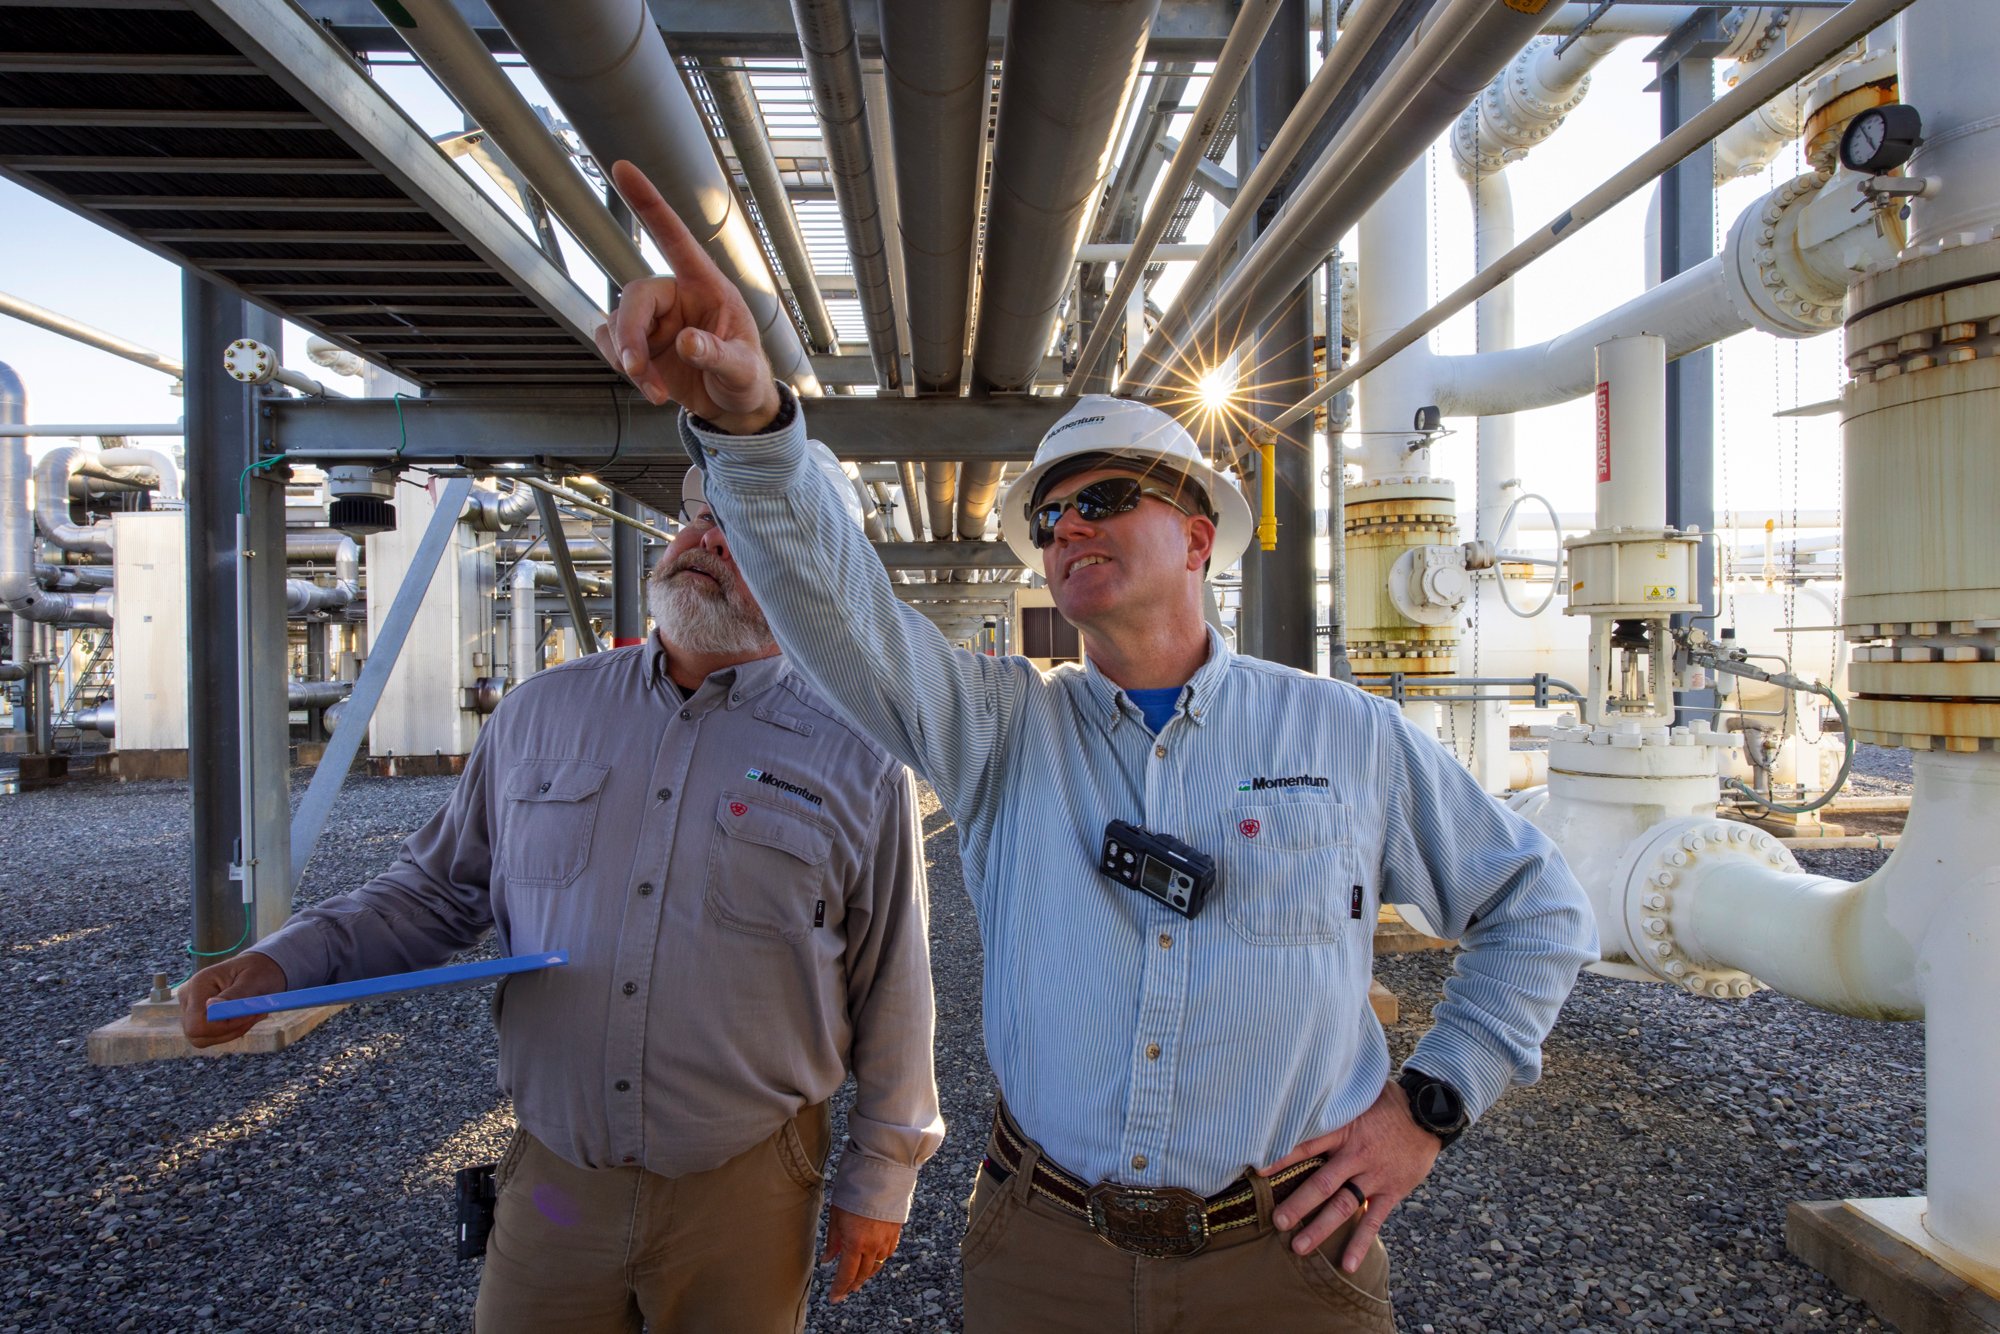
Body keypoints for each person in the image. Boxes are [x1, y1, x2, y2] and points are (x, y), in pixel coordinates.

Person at [597, 159, 1596, 1333]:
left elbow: (1535, 906)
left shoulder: (1344, 735)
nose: (1069, 524)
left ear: (1196, 532)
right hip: (1046, 1253)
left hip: (1282, 1259)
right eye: (1051, 514)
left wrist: (1426, 1103)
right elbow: (843, 613)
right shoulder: (1004, 729)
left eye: (1106, 495)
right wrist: (750, 428)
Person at [179, 460, 944, 1334]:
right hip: (555, 1180)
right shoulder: (541, 714)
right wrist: (283, 961)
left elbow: (896, 985)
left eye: (752, 530)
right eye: (703, 514)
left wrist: (883, 1176)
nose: (706, 537)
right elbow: (431, 892)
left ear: (819, 575)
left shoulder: (858, 756)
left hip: (748, 1184)